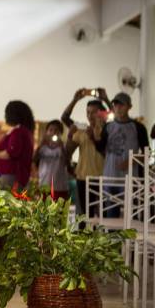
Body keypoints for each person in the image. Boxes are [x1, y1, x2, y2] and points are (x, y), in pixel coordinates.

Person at [94, 92, 149, 217]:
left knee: (131, 216)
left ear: (129, 106)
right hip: (110, 177)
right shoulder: (108, 127)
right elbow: (101, 148)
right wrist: (95, 133)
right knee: (111, 217)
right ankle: (112, 237)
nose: (118, 107)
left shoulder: (138, 127)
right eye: (116, 104)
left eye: (122, 105)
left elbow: (147, 153)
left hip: (129, 179)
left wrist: (131, 160)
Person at [62, 88, 108, 216]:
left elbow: (106, 152)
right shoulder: (82, 130)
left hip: (102, 179)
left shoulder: (108, 130)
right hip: (83, 178)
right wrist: (75, 100)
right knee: (83, 217)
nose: (90, 115)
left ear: (102, 114)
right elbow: (67, 152)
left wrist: (105, 99)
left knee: (103, 217)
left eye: (94, 112)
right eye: (88, 112)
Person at [0, 100, 35, 189]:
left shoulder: (18, 131)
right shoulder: (24, 131)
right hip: (14, 175)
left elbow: (12, 152)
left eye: (6, 113)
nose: (5, 116)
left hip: (12, 175)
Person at [33, 120, 69, 200]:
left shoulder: (64, 147)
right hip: (44, 185)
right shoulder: (43, 147)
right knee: (43, 210)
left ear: (61, 133)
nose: (53, 132)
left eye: (56, 130)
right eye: (51, 130)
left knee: (60, 211)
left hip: (60, 187)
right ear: (46, 132)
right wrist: (41, 144)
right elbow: (34, 160)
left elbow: (68, 163)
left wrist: (62, 147)